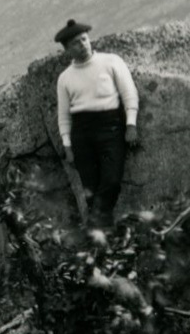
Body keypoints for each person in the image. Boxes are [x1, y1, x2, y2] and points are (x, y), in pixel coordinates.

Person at [52, 19, 139, 229]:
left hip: (110, 127)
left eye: (84, 39)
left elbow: (129, 93)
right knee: (90, 189)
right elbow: (64, 115)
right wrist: (67, 145)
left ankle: (94, 228)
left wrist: (131, 124)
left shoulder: (111, 62)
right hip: (82, 134)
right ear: (67, 50)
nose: (82, 44)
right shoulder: (65, 78)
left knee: (111, 181)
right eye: (75, 43)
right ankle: (103, 239)